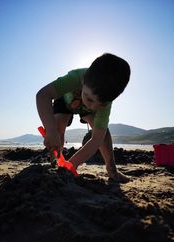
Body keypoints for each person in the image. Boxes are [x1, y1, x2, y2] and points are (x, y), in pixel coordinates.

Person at [36, 53, 131, 182]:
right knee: (58, 130)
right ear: (83, 80)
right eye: (90, 99)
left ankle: (112, 168)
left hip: (84, 105)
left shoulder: (102, 102)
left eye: (102, 104)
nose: (93, 107)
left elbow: (96, 140)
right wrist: (51, 131)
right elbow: (42, 95)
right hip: (65, 99)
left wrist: (72, 164)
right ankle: (55, 164)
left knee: (102, 132)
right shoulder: (75, 77)